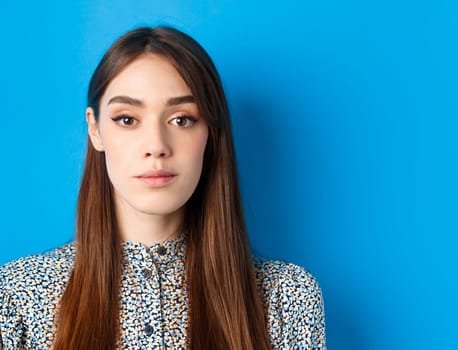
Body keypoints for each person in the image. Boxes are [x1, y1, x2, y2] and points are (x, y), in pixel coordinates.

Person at [0, 26, 325, 349]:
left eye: (182, 119)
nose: (156, 146)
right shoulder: (17, 296)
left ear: (210, 132)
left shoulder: (286, 297)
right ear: (95, 129)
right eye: (127, 119)